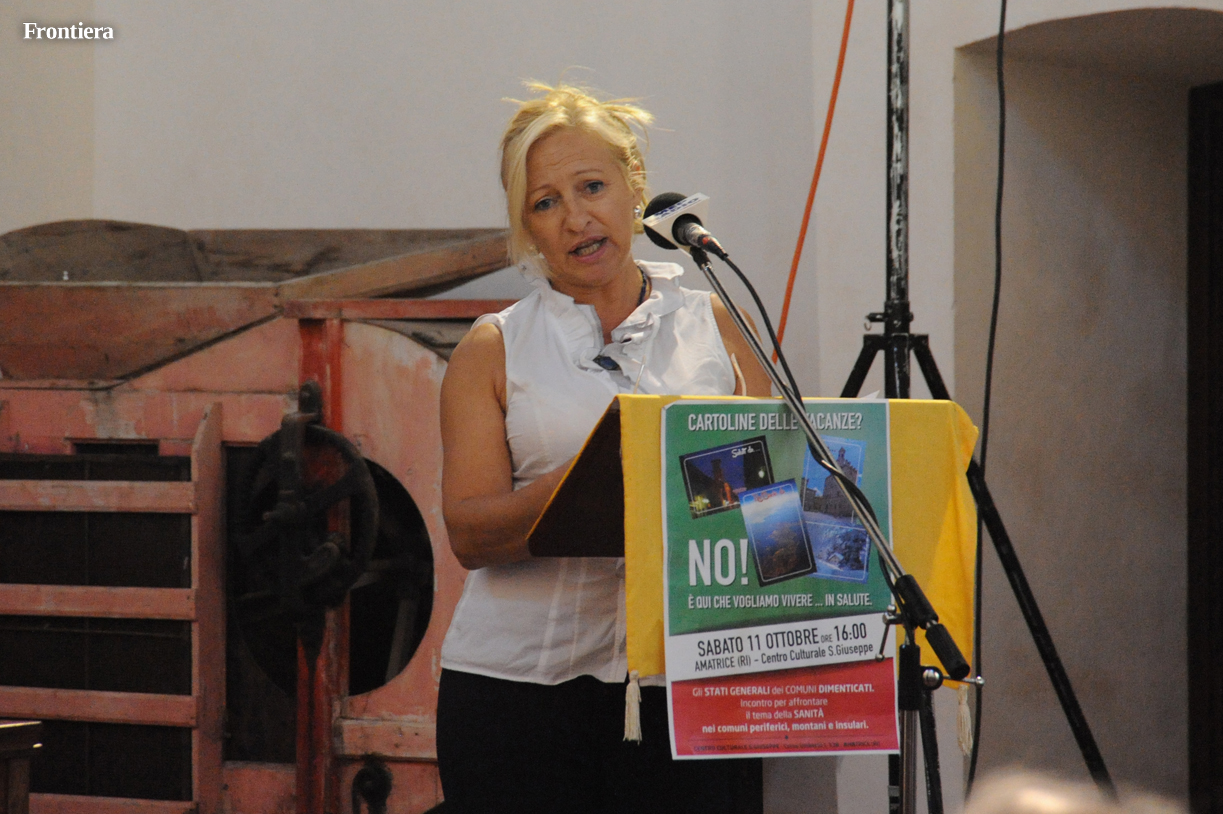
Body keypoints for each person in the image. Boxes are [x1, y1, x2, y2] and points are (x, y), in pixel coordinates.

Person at [436, 81, 771, 814]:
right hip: (519, 696)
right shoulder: (493, 348)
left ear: (635, 188)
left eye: (592, 187)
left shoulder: (715, 323)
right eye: (544, 203)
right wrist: (591, 478)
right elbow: (469, 533)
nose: (575, 218)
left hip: (690, 679)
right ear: (526, 227)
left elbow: (774, 490)